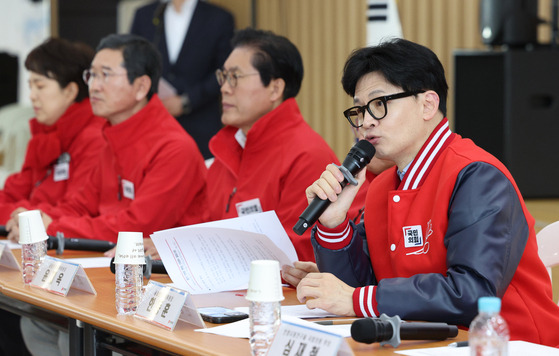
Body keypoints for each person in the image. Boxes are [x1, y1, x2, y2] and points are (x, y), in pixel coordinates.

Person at [294, 38, 559, 346]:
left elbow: (472, 292)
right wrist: (334, 224)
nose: (365, 122)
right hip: (425, 344)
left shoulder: (476, 175)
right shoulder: (383, 185)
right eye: (359, 110)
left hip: (513, 345)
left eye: (378, 105)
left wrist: (357, 299)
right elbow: (361, 289)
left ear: (428, 105)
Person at [6, 33, 208, 244]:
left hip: (161, 272)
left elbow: (137, 228)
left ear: (141, 87)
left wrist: (53, 227)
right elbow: (81, 205)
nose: (94, 86)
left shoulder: (174, 148)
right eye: (92, 75)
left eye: (106, 75)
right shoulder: (111, 136)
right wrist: (36, 219)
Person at [206, 28, 366, 263]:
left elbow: (297, 253)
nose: (224, 88)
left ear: (275, 89)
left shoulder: (306, 154)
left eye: (235, 77)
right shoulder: (226, 148)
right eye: (223, 76)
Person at [0, 38, 105, 225]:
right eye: (30, 86)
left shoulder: (96, 138)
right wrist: (24, 217)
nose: (32, 96)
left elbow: (76, 210)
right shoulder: (44, 134)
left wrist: (25, 217)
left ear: (70, 91)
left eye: (40, 86)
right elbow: (10, 194)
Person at [130, 0, 234, 159]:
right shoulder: (145, 14)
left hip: (201, 123)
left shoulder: (219, 18)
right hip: (153, 122)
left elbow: (224, 71)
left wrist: (186, 101)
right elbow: (133, 63)